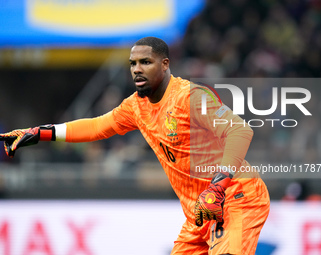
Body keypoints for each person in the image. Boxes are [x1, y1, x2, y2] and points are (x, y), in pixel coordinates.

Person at [0, 37, 270, 255]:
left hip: (234, 199)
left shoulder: (190, 97)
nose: (137, 69)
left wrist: (217, 186)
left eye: (145, 62)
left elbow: (239, 130)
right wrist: (40, 133)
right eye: (132, 63)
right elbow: (96, 126)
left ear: (165, 65)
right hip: (199, 213)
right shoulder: (135, 106)